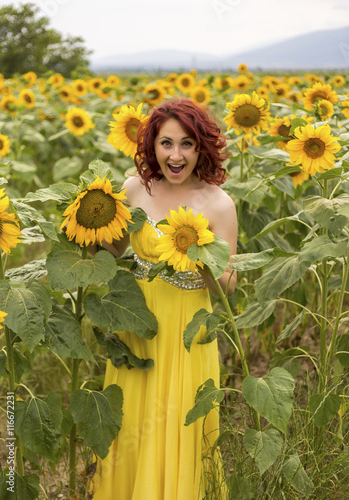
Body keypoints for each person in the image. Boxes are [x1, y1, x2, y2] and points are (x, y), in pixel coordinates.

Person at [87, 98, 237, 500]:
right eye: (166, 143)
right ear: (152, 145)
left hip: (188, 329)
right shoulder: (134, 188)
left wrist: (201, 254)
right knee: (133, 421)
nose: (176, 155)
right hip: (136, 321)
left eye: (187, 144)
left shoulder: (219, 205)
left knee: (179, 422)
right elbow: (113, 250)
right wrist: (86, 225)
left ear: (202, 147)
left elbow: (229, 284)